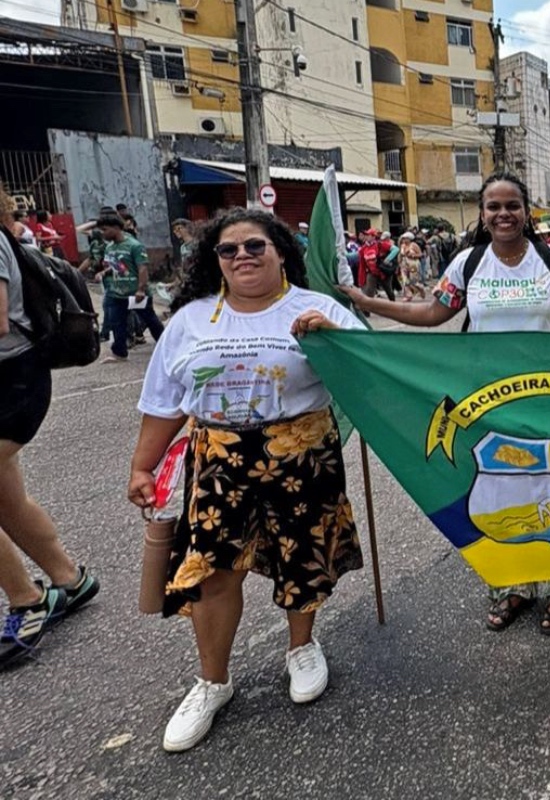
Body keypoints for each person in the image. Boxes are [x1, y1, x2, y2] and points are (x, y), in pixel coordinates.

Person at [342, 172, 550, 635]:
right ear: (483, 214)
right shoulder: (467, 263)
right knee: (506, 492)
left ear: (526, 212)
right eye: (494, 207)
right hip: (491, 401)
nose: (503, 214)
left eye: (512, 206)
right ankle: (512, 586)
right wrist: (367, 305)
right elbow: (432, 312)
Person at [128, 208, 365, 752]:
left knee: (303, 555)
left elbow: (369, 376)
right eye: (228, 249)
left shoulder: (317, 308)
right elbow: (164, 401)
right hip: (220, 459)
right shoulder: (190, 320)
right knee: (214, 568)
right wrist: (142, 466)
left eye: (255, 245)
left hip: (301, 454)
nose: (242, 256)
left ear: (280, 251)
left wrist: (336, 342)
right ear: (215, 260)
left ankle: (302, 647)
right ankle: (213, 681)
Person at [0, 190, 100, 669]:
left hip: (11, 382)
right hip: (14, 377)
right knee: (8, 501)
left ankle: (27, 601)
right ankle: (68, 580)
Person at [98, 214, 165, 363]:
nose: (102, 233)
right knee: (117, 323)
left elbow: (142, 268)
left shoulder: (134, 245)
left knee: (150, 320)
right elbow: (118, 267)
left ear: (116, 228)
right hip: (117, 293)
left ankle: (168, 348)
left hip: (135, 293)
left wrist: (141, 289)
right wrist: (104, 272)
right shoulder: (109, 247)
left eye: (105, 229)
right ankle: (120, 353)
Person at [357, 229, 395, 302]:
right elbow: (362, 265)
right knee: (369, 292)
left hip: (383, 271)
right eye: (366, 235)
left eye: (368, 235)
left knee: (389, 291)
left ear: (373, 237)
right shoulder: (363, 249)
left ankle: (394, 305)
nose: (366, 236)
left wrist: (387, 259)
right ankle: (367, 308)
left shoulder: (380, 244)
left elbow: (396, 249)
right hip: (372, 272)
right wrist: (361, 278)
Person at [398, 231, 425, 300]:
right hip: (404, 264)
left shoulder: (414, 245)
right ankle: (408, 295)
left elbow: (421, 254)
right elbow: (400, 254)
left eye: (405, 238)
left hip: (413, 264)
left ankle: (420, 288)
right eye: (403, 238)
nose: (404, 240)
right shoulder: (402, 246)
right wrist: (399, 262)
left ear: (409, 239)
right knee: (405, 280)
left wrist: (413, 255)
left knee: (413, 281)